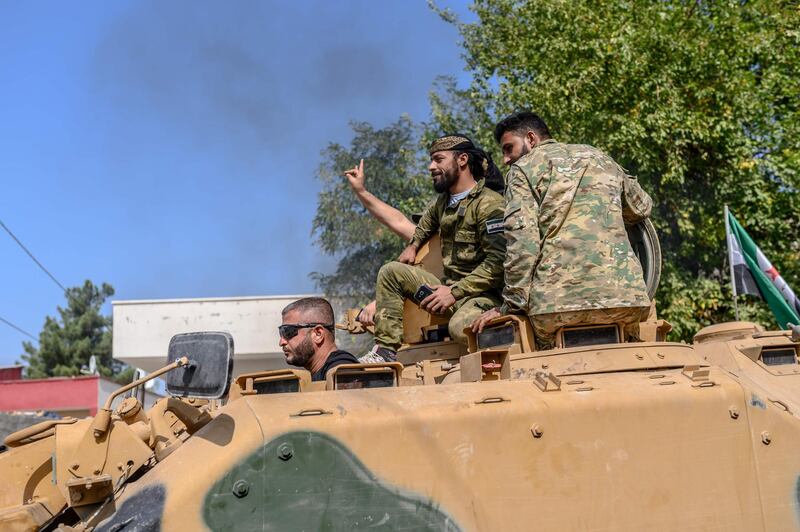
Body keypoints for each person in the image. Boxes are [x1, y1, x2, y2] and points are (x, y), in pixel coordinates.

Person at [472, 111, 652, 350]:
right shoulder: (599, 156)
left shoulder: (523, 170)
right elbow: (642, 207)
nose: (505, 159)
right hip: (625, 301)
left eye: (508, 148)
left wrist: (512, 305)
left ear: (531, 138)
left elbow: (522, 244)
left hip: (556, 308)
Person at [360, 134, 506, 363]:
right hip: (447, 293)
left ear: (462, 160)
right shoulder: (444, 201)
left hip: (482, 296)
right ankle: (386, 351)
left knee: (460, 329)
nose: (431, 166)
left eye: (438, 159)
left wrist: (454, 291)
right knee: (391, 272)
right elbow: (426, 223)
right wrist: (413, 245)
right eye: (431, 160)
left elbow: (498, 264)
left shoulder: (489, 204)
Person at [279, 297, 358, 381]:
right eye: (281, 332)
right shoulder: (321, 375)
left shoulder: (342, 369)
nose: (281, 342)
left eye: (288, 332)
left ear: (318, 334)